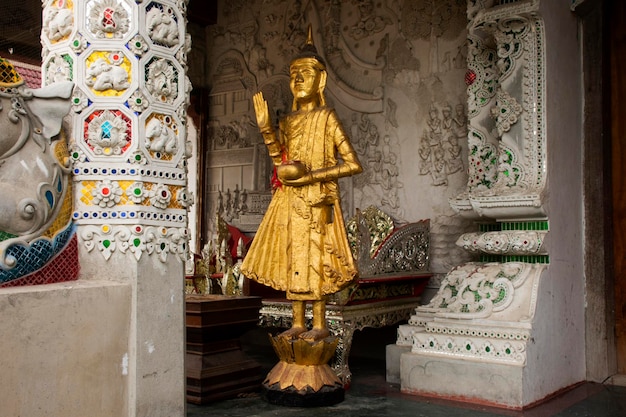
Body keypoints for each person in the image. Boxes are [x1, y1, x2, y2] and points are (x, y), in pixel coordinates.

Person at [241, 27, 362, 342]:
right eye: (292, 74)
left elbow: (352, 164)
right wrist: (267, 129)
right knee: (294, 257)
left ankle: (319, 324)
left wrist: (311, 176)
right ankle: (297, 321)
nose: (296, 80)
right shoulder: (289, 123)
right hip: (291, 202)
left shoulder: (327, 118)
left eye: (304, 74)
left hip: (318, 202)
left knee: (317, 259)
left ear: (320, 80)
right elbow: (279, 164)